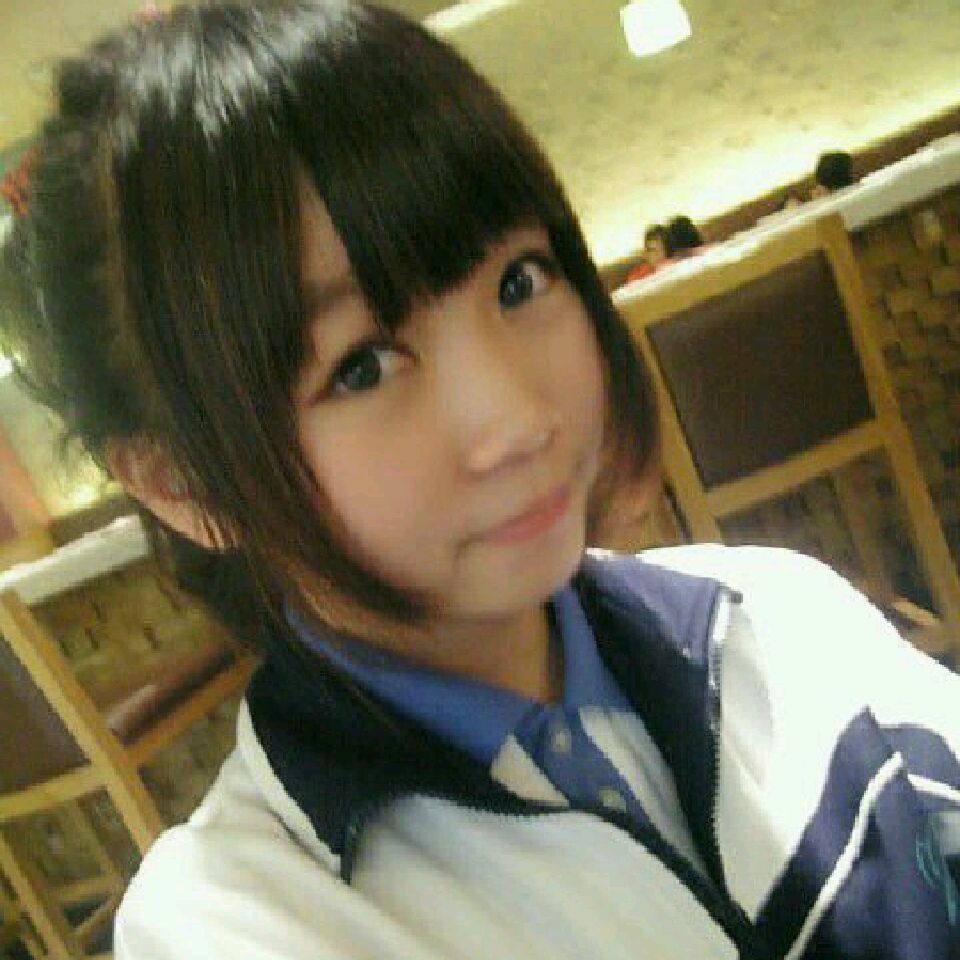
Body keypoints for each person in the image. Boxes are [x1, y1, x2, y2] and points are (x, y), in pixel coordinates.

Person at [1, 4, 957, 958]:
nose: (517, 420)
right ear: (183, 484)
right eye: (362, 367)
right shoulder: (242, 924)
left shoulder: (773, 615)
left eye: (520, 281)